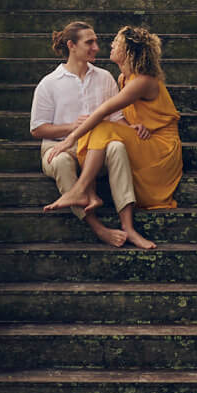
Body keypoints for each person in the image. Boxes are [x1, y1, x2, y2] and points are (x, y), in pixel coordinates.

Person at [43, 25, 181, 249]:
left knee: (101, 126)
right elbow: (128, 117)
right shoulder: (123, 79)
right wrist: (136, 127)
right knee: (107, 132)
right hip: (145, 140)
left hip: (161, 150)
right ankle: (92, 197)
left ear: (127, 51)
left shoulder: (142, 80)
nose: (109, 46)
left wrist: (69, 139)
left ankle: (82, 190)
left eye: (116, 43)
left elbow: (102, 112)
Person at [30, 20, 139, 248]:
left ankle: (128, 225)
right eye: (89, 42)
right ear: (71, 45)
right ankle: (98, 228)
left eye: (97, 42)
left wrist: (135, 128)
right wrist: (72, 127)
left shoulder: (104, 77)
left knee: (118, 146)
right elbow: (38, 128)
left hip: (96, 149)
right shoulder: (49, 83)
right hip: (60, 147)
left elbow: (116, 119)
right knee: (60, 161)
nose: (96, 47)